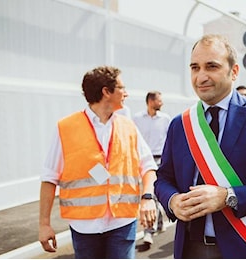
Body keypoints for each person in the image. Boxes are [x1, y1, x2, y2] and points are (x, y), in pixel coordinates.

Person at [154, 34, 246, 258]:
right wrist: (172, 201)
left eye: (211, 66)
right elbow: (163, 178)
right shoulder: (180, 124)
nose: (201, 76)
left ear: (234, 71)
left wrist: (228, 197)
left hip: (243, 246)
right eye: (195, 67)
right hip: (190, 248)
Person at [38, 66, 158, 259]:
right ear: (106, 91)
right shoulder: (66, 128)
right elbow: (49, 178)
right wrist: (44, 224)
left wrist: (147, 197)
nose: (126, 93)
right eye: (122, 87)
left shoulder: (128, 126)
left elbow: (148, 167)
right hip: (85, 227)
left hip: (123, 223)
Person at [132, 91, 171, 251]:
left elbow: (170, 140)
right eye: (159, 100)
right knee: (152, 195)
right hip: (143, 161)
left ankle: (149, 232)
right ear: (150, 101)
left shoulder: (166, 119)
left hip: (160, 160)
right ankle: (158, 221)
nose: (161, 103)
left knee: (152, 194)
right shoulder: (136, 119)